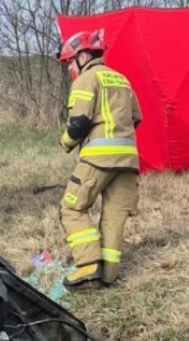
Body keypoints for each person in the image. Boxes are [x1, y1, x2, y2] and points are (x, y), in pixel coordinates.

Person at [57, 30, 141, 287]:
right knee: (114, 216)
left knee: (71, 208)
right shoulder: (121, 80)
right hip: (128, 161)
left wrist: (66, 143)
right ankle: (108, 275)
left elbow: (79, 122)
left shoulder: (86, 79)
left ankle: (88, 264)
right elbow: (136, 117)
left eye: (71, 61)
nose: (70, 67)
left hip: (98, 159)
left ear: (83, 56)